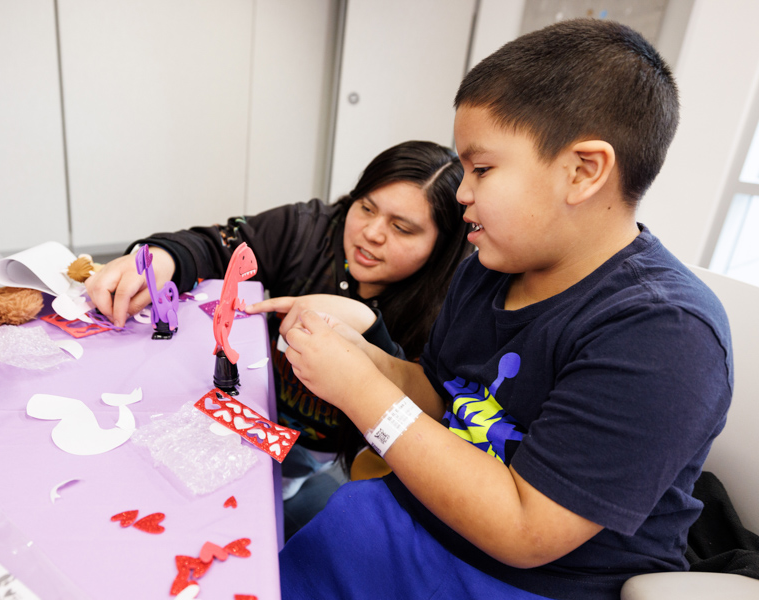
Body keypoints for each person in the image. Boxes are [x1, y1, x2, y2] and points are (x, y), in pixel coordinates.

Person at [276, 19, 733, 600]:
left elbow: (526, 529)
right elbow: (445, 396)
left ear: (583, 170)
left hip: (527, 579)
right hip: (417, 515)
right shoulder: (489, 265)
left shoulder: (664, 333)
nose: (462, 192)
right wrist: (362, 358)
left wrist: (362, 393)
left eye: (482, 169)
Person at [84, 140, 473, 538]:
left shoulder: (453, 306)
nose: (371, 233)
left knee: (261, 502)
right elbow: (218, 244)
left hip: (324, 445)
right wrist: (166, 258)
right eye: (366, 208)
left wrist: (369, 330)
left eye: (402, 227)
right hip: (249, 405)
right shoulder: (307, 229)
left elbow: (424, 420)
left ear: (443, 245)